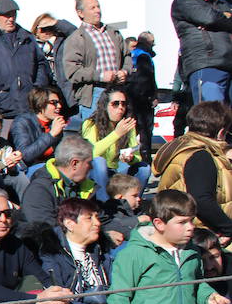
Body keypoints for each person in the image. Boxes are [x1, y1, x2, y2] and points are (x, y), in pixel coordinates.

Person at [0, 0, 54, 134]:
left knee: (31, 151)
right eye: (6, 15)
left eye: (13, 14)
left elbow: (41, 64)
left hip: (29, 108)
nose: (11, 18)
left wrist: (36, 88)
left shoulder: (27, 37)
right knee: (4, 153)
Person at [154, 101, 232, 242]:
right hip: (199, 235)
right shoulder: (200, 156)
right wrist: (228, 228)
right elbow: (201, 200)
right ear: (221, 132)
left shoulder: (182, 145)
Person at [61, 0, 130, 121]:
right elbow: (72, 72)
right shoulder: (76, 39)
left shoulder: (113, 33)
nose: (97, 10)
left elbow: (127, 56)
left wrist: (125, 71)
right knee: (95, 137)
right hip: (94, 94)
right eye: (92, 8)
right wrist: (100, 76)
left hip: (117, 92)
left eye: (98, 6)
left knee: (119, 136)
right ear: (80, 13)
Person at [171, 0, 232, 106]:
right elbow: (210, 18)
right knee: (211, 114)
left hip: (224, 63)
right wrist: (222, 18)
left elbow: (216, 19)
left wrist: (221, 19)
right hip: (206, 64)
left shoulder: (212, 1)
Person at [19, 134, 98, 236]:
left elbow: (102, 217)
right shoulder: (39, 190)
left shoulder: (85, 187)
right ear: (74, 163)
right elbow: (45, 230)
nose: (91, 167)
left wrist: (112, 231)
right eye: (89, 162)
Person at [81, 87, 148, 199]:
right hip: (93, 172)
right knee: (99, 162)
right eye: (115, 104)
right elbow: (91, 153)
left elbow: (137, 156)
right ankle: (106, 206)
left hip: (115, 172)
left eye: (123, 104)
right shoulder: (90, 124)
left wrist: (131, 158)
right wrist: (116, 134)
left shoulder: (127, 125)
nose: (120, 108)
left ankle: (132, 204)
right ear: (105, 106)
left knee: (144, 168)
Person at [9, 87, 68, 171]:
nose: (59, 106)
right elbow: (25, 156)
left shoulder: (55, 123)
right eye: (54, 103)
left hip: (51, 167)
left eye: (59, 102)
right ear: (40, 104)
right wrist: (51, 135)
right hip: (27, 170)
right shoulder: (22, 123)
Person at [128, 31, 159, 162]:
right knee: (145, 130)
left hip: (131, 97)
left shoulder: (132, 54)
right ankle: (145, 159)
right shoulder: (144, 56)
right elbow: (147, 78)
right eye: (152, 43)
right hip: (142, 100)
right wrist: (152, 96)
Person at [104, 172, 146, 242]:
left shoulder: (137, 210)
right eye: (134, 196)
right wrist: (137, 220)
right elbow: (114, 224)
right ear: (120, 198)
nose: (138, 199)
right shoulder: (110, 211)